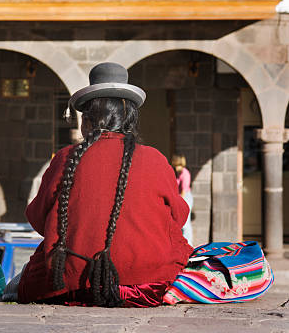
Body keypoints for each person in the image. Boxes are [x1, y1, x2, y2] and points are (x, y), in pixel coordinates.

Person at [14, 62, 193, 307]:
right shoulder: (155, 159)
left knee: (32, 274)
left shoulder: (65, 158)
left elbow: (37, 218)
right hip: (147, 283)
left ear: (86, 121)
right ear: (130, 119)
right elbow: (180, 217)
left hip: (69, 283)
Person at [171, 154, 194, 246]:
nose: (176, 168)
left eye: (177, 165)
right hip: (181, 197)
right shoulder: (179, 173)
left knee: (186, 223)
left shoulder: (185, 173)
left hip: (186, 197)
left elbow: (184, 190)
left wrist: (178, 203)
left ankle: (188, 244)